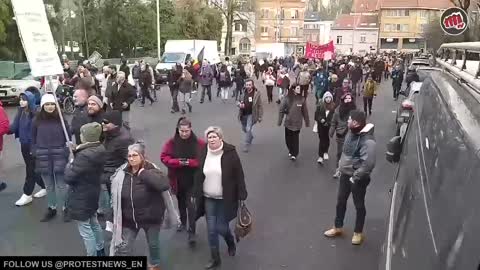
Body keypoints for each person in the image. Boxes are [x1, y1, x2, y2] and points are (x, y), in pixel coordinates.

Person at [193, 126, 248, 269]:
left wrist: (242, 193)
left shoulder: (230, 152)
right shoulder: (203, 151)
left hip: (225, 198)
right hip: (208, 197)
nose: (211, 139)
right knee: (211, 230)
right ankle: (215, 259)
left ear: (220, 138)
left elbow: (239, 174)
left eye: (214, 137)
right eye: (209, 137)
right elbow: (198, 173)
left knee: (221, 228)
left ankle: (230, 241)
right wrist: (195, 191)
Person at [110, 142, 170, 270]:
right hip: (130, 218)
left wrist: (143, 174)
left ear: (142, 156)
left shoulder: (152, 170)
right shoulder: (122, 174)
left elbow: (163, 185)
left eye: (135, 155)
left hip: (150, 217)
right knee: (124, 247)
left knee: (153, 245)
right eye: (129, 156)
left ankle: (154, 265)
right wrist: (113, 215)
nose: (131, 158)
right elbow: (115, 196)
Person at [324, 110, 376, 245]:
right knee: (340, 201)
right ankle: (338, 227)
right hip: (345, 175)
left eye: (349, 120)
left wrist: (355, 176)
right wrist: (340, 168)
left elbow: (368, 164)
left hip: (358, 179)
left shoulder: (368, 141)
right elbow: (346, 153)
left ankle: (358, 233)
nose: (347, 121)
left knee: (359, 205)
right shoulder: (351, 132)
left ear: (356, 123)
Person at [160, 117, 205, 245]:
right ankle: (183, 222)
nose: (184, 133)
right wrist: (177, 162)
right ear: (178, 130)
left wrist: (189, 163)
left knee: (191, 206)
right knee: (181, 203)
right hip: (177, 180)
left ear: (191, 129)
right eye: (182, 131)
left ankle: (192, 232)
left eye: (187, 131)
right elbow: (164, 157)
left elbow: (203, 160)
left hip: (193, 181)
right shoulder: (171, 143)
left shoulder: (199, 143)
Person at [64, 122, 106, 256]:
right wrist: (75, 149)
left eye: (82, 133)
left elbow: (70, 177)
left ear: (86, 136)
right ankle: (100, 249)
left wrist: (70, 163)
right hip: (92, 192)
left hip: (81, 195)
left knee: (85, 230)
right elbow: (86, 161)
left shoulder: (84, 156)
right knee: (94, 223)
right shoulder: (99, 149)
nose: (80, 135)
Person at [32, 94, 70, 222]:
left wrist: (65, 151)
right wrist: (35, 151)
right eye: (47, 104)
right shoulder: (36, 120)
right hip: (43, 156)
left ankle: (66, 208)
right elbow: (32, 138)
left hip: (59, 155)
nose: (50, 107)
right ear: (43, 106)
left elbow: (68, 137)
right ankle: (51, 208)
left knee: (61, 185)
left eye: (52, 104)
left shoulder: (61, 120)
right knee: (49, 186)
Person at [9, 92, 46, 206]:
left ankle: (27, 194)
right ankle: (46, 186)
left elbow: (40, 131)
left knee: (30, 169)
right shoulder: (20, 111)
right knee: (33, 168)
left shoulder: (36, 113)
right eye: (20, 99)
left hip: (33, 145)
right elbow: (14, 127)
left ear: (30, 100)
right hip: (24, 144)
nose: (21, 101)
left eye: (24, 99)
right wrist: (4, 129)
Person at [100, 111, 134, 226]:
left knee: (117, 202)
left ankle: (118, 224)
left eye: (106, 122)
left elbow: (130, 160)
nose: (102, 124)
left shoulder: (123, 140)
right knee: (113, 201)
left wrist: (121, 176)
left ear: (115, 124)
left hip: (114, 175)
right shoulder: (110, 134)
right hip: (108, 173)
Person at [278, 84, 310, 161]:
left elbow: (305, 111)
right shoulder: (287, 98)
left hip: (297, 123)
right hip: (288, 122)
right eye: (298, 88)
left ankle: (294, 154)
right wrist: (280, 121)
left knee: (295, 139)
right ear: (293, 89)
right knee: (288, 139)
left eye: (300, 88)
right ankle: (290, 149)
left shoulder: (302, 99)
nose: (299, 90)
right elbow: (281, 110)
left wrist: (307, 121)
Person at [330, 93, 356, 178]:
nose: (348, 100)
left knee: (350, 154)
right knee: (340, 153)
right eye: (346, 98)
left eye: (349, 98)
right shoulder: (338, 110)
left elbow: (360, 123)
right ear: (343, 100)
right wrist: (331, 131)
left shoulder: (355, 111)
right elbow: (334, 122)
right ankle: (338, 170)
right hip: (341, 135)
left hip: (351, 136)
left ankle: (349, 171)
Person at [237, 79, 263, 153]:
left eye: (249, 85)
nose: (248, 86)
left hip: (251, 114)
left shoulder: (256, 94)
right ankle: (250, 136)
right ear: (245, 85)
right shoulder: (242, 92)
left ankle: (246, 144)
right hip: (243, 114)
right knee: (244, 129)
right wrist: (239, 104)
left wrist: (260, 116)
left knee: (248, 128)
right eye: (247, 85)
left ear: (252, 85)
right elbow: (238, 101)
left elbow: (260, 105)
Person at [314, 91, 335, 164]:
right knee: (322, 139)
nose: (328, 99)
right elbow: (316, 115)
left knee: (326, 139)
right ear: (324, 98)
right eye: (327, 97)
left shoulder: (333, 106)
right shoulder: (320, 105)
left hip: (328, 126)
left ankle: (324, 153)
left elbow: (334, 117)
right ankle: (321, 154)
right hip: (321, 125)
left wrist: (329, 122)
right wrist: (320, 119)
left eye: (329, 97)